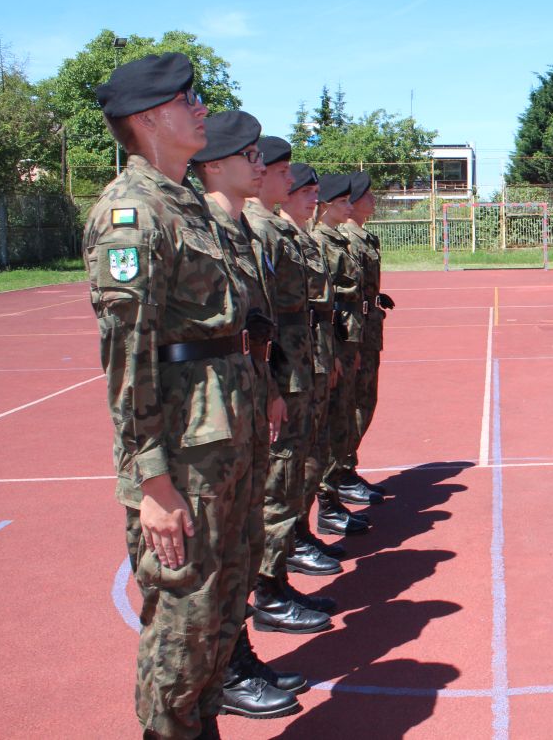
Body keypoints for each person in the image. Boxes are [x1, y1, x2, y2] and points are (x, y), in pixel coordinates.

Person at [83, 53, 259, 738]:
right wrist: (151, 482)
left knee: (222, 609)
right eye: (189, 99)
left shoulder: (189, 205)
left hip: (224, 440)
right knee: (183, 625)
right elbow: (127, 358)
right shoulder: (132, 214)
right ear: (151, 118)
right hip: (181, 457)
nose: (200, 109)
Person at [189, 112, 325, 720]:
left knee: (239, 545)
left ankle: (234, 658)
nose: (265, 167)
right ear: (217, 164)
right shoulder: (200, 226)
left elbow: (258, 322)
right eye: (253, 157)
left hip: (248, 394)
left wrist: (270, 384)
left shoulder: (239, 228)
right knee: (214, 559)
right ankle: (221, 672)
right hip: (204, 416)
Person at [278, 162, 350, 570]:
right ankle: (285, 551)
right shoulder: (272, 236)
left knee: (312, 453)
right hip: (290, 364)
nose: (314, 199)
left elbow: (321, 306)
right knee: (290, 462)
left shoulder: (302, 238)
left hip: (313, 355)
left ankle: (300, 533)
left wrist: (329, 353)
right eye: (306, 192)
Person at [311, 174, 371, 536]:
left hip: (347, 337)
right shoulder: (319, 241)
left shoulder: (336, 239)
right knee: (333, 423)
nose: (350, 206)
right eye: (343, 201)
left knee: (348, 414)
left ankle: (336, 491)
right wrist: (334, 348)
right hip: (333, 340)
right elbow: (326, 299)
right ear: (326, 205)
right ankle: (329, 500)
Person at [338, 171, 394, 504]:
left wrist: (374, 296)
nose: (374, 200)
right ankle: (341, 473)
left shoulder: (365, 237)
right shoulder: (345, 238)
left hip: (368, 326)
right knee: (353, 404)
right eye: (368, 195)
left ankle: (347, 469)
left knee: (365, 401)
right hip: (354, 331)